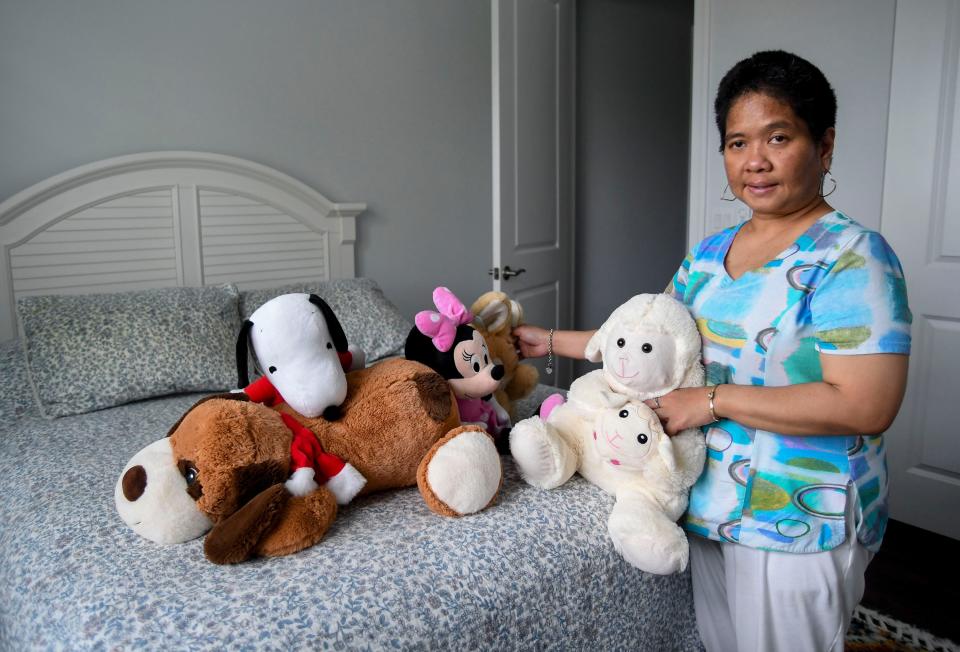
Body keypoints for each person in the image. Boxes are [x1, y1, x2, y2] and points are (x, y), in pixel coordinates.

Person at [513, 50, 911, 652]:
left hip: (800, 514)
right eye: (736, 142)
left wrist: (712, 400)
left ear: (824, 145)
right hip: (707, 496)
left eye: (778, 137)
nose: (755, 161)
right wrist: (548, 343)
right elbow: (649, 342)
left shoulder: (854, 257)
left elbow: (865, 404)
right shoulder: (708, 255)